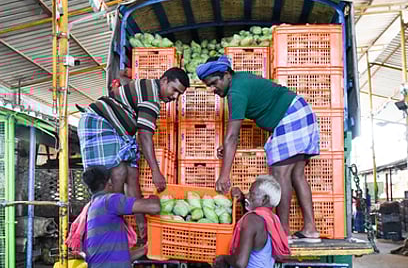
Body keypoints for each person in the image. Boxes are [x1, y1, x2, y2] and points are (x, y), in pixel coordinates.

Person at [196, 56, 321, 242]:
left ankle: (283, 232)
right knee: (296, 175)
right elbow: (230, 137)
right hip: (300, 111)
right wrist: (227, 145)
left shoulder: (235, 92)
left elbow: (232, 137)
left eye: (215, 83)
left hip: (290, 117)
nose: (213, 89)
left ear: (226, 75)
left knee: (281, 176)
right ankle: (310, 229)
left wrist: (223, 176)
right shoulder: (240, 81)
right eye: (209, 86)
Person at [77, 67, 189, 242]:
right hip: (99, 123)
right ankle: (111, 226)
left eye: (179, 94)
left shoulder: (148, 87)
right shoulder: (151, 98)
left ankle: (141, 229)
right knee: (118, 172)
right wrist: (155, 172)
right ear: (165, 81)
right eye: (174, 90)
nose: (175, 97)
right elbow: (145, 137)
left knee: (132, 173)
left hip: (120, 132)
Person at [82, 165, 161, 268]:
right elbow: (154, 207)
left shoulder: (93, 208)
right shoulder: (109, 201)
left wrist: (145, 249)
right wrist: (155, 196)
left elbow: (118, 258)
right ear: (110, 183)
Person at [214, 175, 290, 268]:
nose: (247, 197)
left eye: (252, 193)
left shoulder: (252, 220)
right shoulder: (273, 219)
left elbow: (240, 263)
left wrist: (224, 258)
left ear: (264, 199)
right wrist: (242, 199)